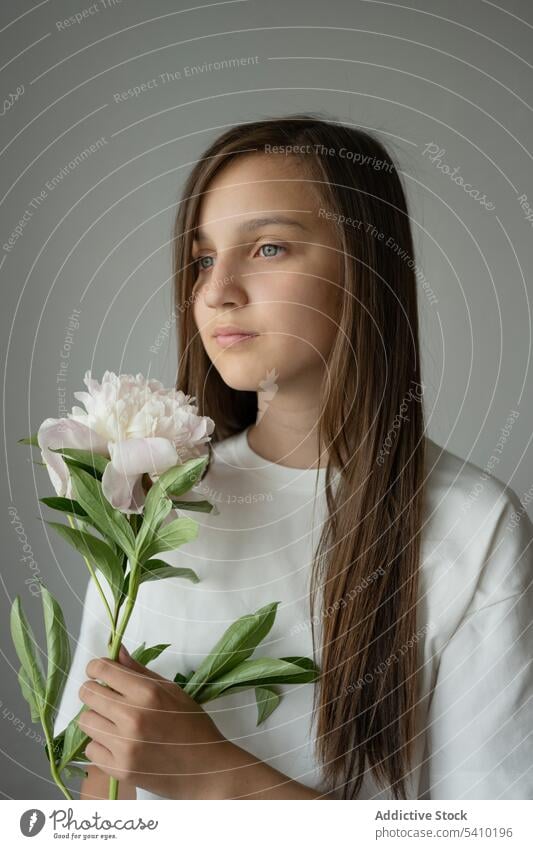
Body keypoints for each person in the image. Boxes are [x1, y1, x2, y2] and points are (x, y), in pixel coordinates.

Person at [53, 114, 533, 800]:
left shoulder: (474, 528)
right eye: (203, 259)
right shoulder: (150, 493)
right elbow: (106, 784)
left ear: (368, 268)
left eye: (270, 247)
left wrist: (217, 778)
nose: (218, 291)